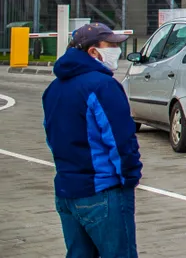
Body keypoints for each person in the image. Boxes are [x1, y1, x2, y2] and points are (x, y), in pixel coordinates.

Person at [43, 22, 141, 258]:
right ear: (92, 52)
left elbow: (52, 137)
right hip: (102, 191)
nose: (117, 49)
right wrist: (130, 177)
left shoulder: (53, 89)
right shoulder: (102, 85)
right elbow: (120, 140)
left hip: (67, 191)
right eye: (111, 45)